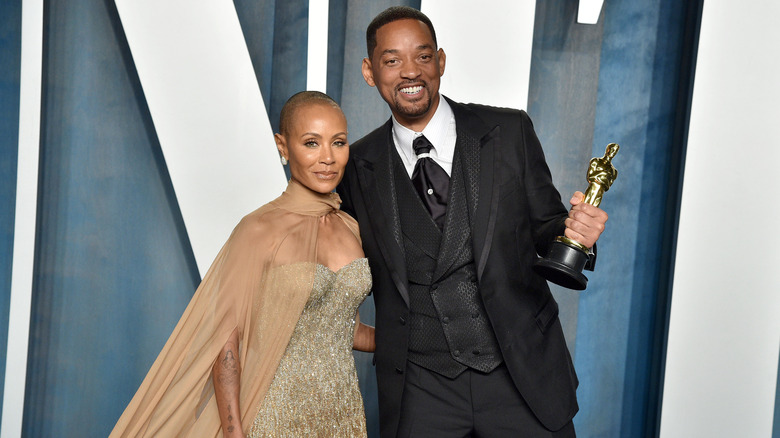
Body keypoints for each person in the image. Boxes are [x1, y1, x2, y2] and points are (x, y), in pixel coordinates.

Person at [336, 6, 608, 437]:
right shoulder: (356, 167)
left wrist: (577, 235)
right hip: (420, 391)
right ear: (370, 72)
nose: (410, 72)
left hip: (520, 376)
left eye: (422, 57)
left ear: (440, 61)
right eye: (392, 60)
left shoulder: (509, 131)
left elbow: (548, 225)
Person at [111, 91, 375, 437]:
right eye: (312, 143)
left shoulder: (349, 226)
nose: (327, 158)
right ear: (283, 147)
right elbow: (226, 341)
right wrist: (235, 434)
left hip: (342, 415)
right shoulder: (258, 229)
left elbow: (342, 327)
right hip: (273, 415)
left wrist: (421, 340)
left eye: (338, 143)